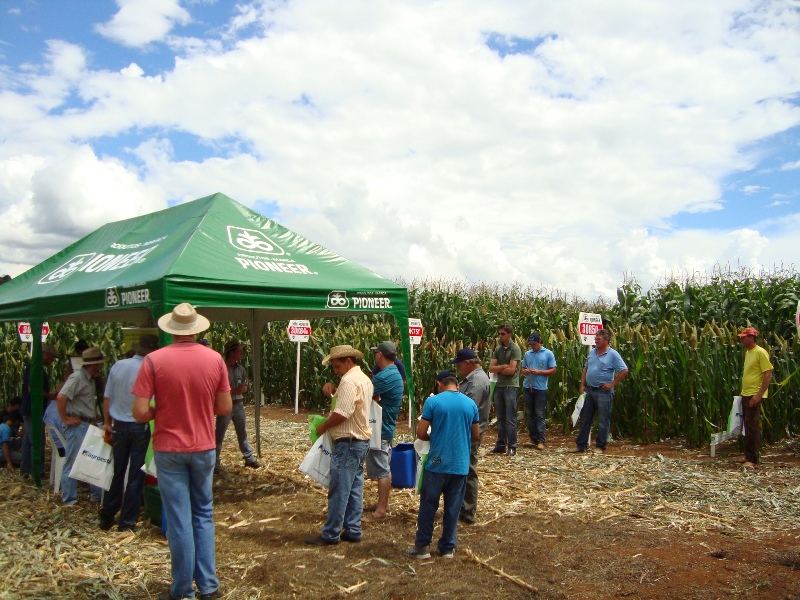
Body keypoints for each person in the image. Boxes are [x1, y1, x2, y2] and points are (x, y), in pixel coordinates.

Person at [132, 303, 231, 600]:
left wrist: (160, 410)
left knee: (179, 518)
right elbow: (224, 408)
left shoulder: (152, 360)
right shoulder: (215, 360)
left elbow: (138, 412)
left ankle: (183, 589)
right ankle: (209, 585)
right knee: (203, 513)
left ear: (171, 329)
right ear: (198, 328)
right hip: (203, 447)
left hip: (168, 448)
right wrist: (200, 408)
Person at [405, 370, 480, 559]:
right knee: (453, 508)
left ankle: (422, 546)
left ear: (440, 384)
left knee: (429, 505)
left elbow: (421, 433)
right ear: (456, 384)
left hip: (437, 462)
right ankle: (447, 547)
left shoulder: (433, 402)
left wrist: (435, 436)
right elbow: (476, 435)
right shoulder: (470, 404)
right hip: (460, 464)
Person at [305, 345, 373, 546]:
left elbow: (342, 412)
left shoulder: (349, 381)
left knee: (340, 489)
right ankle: (353, 528)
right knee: (354, 487)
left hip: (348, 443)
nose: (335, 371)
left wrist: (323, 426)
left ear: (348, 361)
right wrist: (334, 391)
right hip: (360, 442)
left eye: (337, 366)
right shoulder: (364, 379)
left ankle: (331, 532)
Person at [99, 334, 159, 532]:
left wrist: (107, 421)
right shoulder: (149, 369)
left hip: (118, 426)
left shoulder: (118, 366)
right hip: (138, 426)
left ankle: (107, 514)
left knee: (118, 472)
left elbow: (107, 397)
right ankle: (127, 521)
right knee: (135, 476)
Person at [56, 347, 106, 505]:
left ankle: (95, 496)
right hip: (78, 425)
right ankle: (69, 499)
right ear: (95, 364)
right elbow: (61, 397)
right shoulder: (77, 377)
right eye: (100, 364)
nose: (102, 367)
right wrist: (65, 419)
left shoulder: (89, 379)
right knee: (72, 461)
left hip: (87, 422)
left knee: (91, 460)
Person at [570, 329, 628, 454]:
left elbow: (624, 370)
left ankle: (600, 446)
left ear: (606, 340)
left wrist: (612, 384)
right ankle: (581, 445)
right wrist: (582, 385)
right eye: (595, 339)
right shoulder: (592, 353)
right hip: (589, 391)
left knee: (603, 420)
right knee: (585, 418)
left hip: (603, 392)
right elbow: (586, 368)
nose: (596, 341)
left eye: (598, 339)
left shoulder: (613, 354)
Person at [450, 348, 491, 524]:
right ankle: (462, 507)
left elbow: (468, 408)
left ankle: (467, 511)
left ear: (467, 363)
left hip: (470, 432)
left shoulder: (477, 382)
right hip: (466, 431)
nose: (459, 369)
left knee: (468, 469)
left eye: (459, 365)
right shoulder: (474, 379)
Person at [364, 341, 404, 521]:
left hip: (380, 429)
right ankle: (383, 503)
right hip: (387, 426)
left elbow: (363, 393)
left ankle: (380, 510)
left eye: (375, 354)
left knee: (382, 470)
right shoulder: (395, 372)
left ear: (380, 355)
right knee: (385, 467)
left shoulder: (384, 377)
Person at [214, 338, 260, 473]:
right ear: (232, 353)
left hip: (239, 404)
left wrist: (243, 388)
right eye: (239, 351)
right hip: (226, 405)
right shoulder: (221, 368)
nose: (241, 353)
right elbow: (218, 388)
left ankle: (249, 458)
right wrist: (234, 391)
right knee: (219, 435)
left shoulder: (240, 369)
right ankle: (215, 463)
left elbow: (245, 383)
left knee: (242, 432)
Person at [20, 343, 59, 477]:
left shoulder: (36, 367)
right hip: (33, 410)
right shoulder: (35, 367)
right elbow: (34, 389)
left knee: (28, 441)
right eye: (52, 357)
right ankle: (36, 471)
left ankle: (25, 469)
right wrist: (50, 396)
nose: (52, 360)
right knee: (38, 441)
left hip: (30, 409)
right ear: (45, 354)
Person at [737, 327, 773, 468]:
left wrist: (758, 395)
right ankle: (748, 456)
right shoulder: (748, 353)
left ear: (751, 338)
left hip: (754, 395)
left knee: (752, 426)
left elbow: (767, 374)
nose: (741, 339)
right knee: (747, 425)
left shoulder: (760, 352)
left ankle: (752, 460)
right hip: (746, 394)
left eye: (744, 337)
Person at [488, 324, 522, 457]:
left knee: (510, 417)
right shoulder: (498, 349)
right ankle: (500, 445)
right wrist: (503, 366)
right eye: (499, 334)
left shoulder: (515, 349)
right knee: (500, 417)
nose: (500, 336)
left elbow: (512, 370)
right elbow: (491, 368)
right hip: (499, 385)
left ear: (509, 334)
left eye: (502, 334)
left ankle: (512, 446)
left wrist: (500, 368)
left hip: (510, 386)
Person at [521, 333, 557, 450]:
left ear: (539, 342)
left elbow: (553, 370)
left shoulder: (548, 354)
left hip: (540, 388)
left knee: (540, 414)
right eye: (530, 344)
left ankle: (541, 440)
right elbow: (522, 368)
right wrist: (526, 372)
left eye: (534, 344)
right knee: (530, 414)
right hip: (528, 386)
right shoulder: (528, 354)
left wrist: (539, 372)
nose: (532, 346)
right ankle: (533, 438)